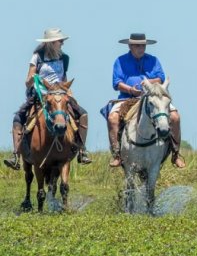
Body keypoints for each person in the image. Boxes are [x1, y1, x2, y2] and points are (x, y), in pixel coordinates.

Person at [3, 28, 92, 170]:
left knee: (83, 114)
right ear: (51, 43)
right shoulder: (37, 57)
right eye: (60, 41)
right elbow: (27, 82)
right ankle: (16, 155)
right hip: (41, 95)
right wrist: (33, 79)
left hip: (61, 94)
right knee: (18, 118)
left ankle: (82, 150)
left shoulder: (65, 58)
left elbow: (64, 79)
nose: (62, 43)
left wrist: (70, 94)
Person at [104, 33, 185, 168]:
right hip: (127, 98)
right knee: (112, 118)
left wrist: (147, 83)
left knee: (175, 117)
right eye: (137, 46)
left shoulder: (153, 60)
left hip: (153, 97)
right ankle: (117, 154)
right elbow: (117, 82)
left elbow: (160, 78)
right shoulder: (120, 61)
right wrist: (131, 90)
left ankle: (176, 154)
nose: (141, 48)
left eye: (143, 45)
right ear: (130, 46)